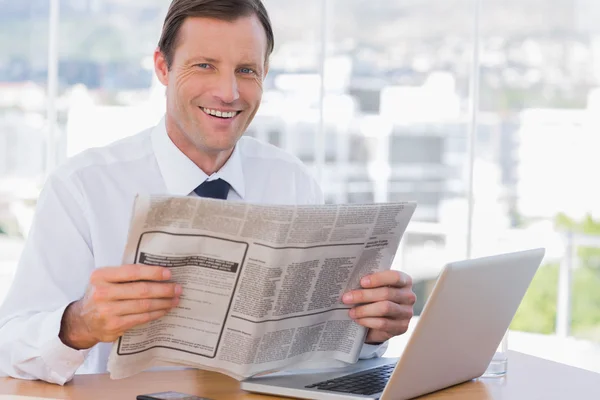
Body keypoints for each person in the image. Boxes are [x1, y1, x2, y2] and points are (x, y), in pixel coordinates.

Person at [0, 0, 416, 385]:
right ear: (162, 67)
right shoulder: (84, 187)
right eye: (204, 65)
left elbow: (317, 351)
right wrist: (80, 324)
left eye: (246, 70)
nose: (228, 93)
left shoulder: (292, 180)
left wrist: (370, 331)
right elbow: (10, 346)